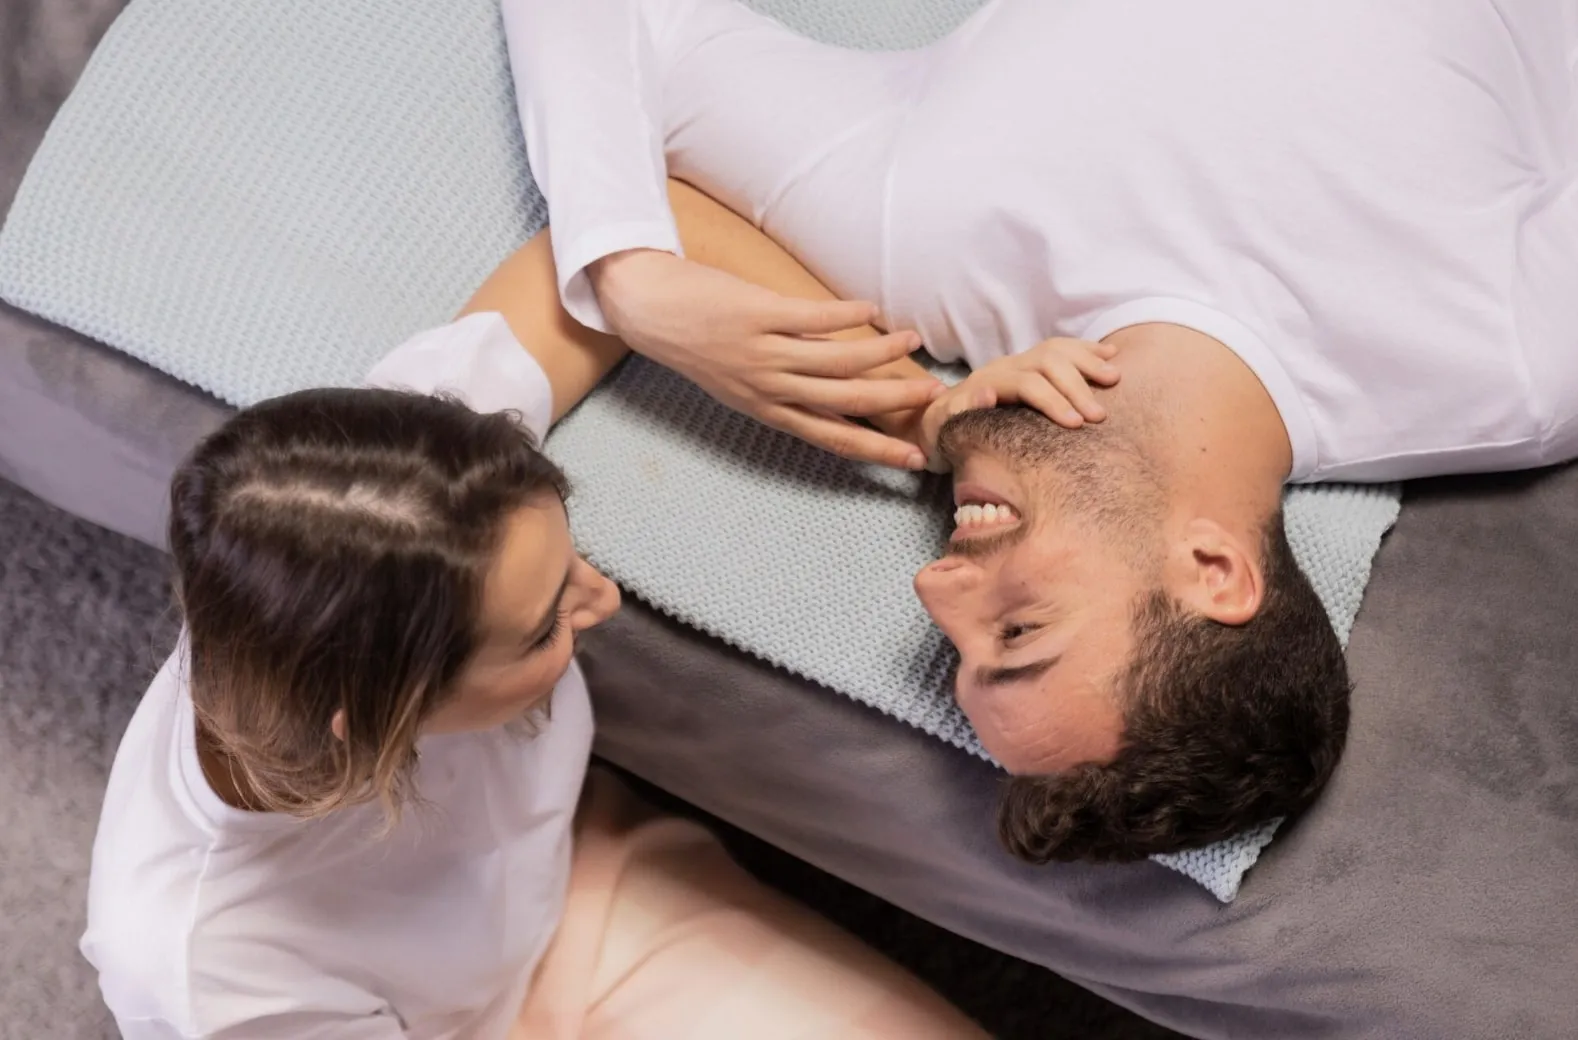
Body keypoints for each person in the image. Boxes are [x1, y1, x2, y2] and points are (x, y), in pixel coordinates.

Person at [503, 0, 1578, 859]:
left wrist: (631, 276)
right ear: (1213, 569)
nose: (933, 591)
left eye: (958, 650)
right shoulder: (1510, 372)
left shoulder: (916, 244)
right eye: (1018, 633)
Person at [80, 194, 994, 1039]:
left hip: (589, 884)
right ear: (376, 720)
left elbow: (633, 224)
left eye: (567, 564)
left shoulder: (410, 495)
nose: (600, 602)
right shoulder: (205, 966)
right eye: (544, 624)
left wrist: (936, 420)